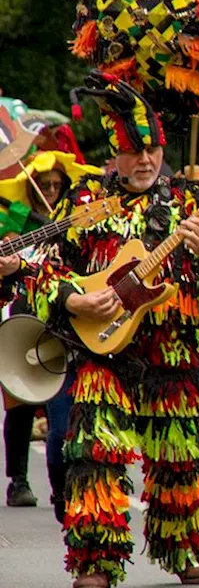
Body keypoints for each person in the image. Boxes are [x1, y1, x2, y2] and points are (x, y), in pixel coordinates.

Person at [27, 73, 199, 586]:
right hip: (103, 356)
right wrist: (74, 297)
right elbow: (43, 272)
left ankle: (181, 550)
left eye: (152, 150)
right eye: (132, 151)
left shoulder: (191, 204)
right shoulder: (83, 202)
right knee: (94, 458)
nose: (145, 160)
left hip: (174, 359)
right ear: (114, 154)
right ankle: (96, 563)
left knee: (180, 461)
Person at [0, 151, 96, 511]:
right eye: (45, 185)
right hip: (23, 325)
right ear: (32, 186)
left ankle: (63, 486)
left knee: (60, 422)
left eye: (58, 185)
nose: (53, 190)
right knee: (20, 407)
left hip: (60, 331)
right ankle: (18, 480)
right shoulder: (12, 221)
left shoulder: (70, 226)